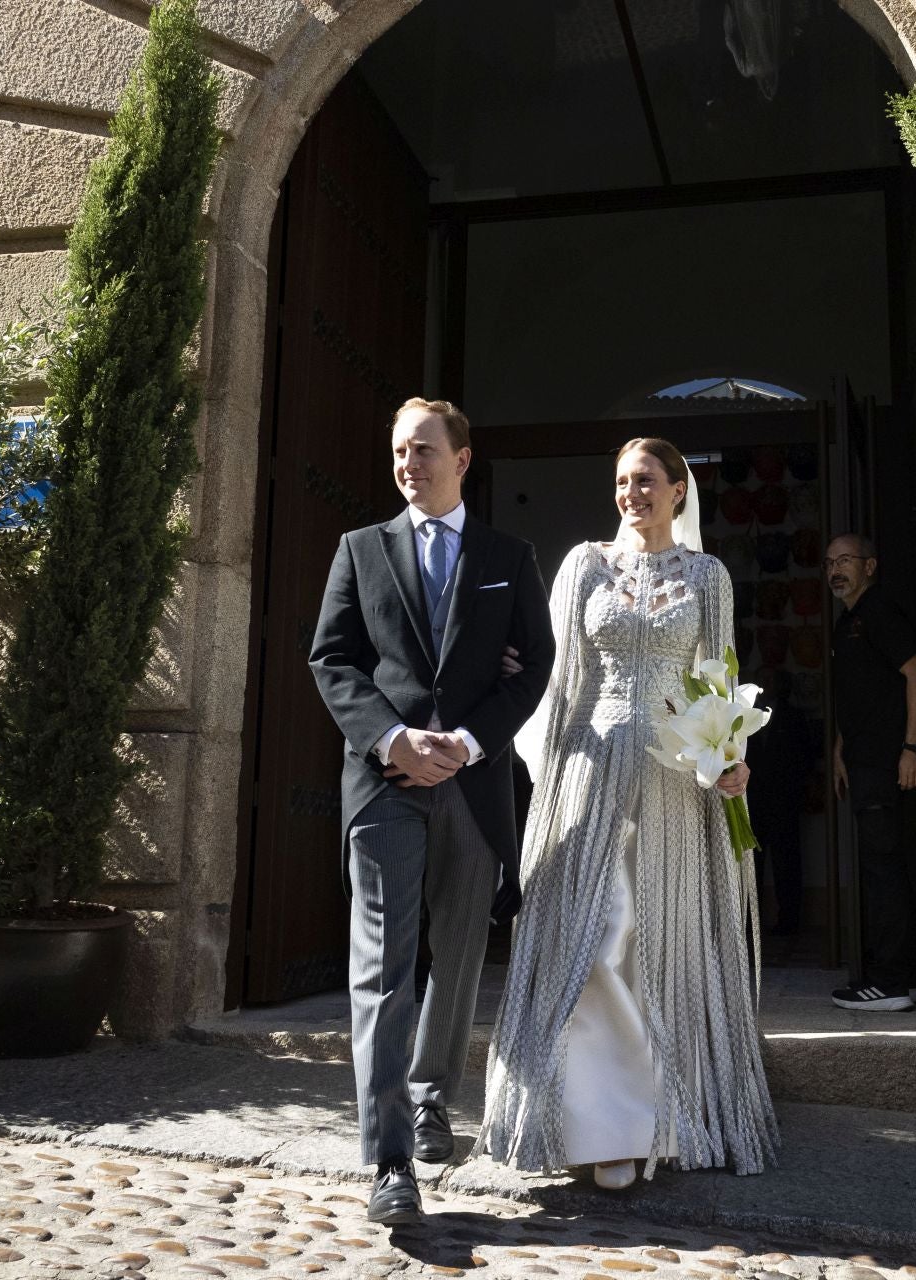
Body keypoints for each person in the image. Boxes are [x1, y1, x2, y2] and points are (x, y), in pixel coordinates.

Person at [478, 437, 779, 1190]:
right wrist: (542, 757)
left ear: (679, 490)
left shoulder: (708, 577)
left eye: (645, 480)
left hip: (676, 780)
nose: (630, 493)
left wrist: (729, 757)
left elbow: (718, 681)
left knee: (661, 935)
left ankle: (660, 1121)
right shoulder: (584, 566)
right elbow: (558, 675)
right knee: (598, 930)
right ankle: (598, 1123)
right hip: (591, 769)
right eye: (621, 481)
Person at [310, 398, 555, 1225]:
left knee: (457, 956)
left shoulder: (509, 557)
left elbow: (535, 665)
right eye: (399, 452)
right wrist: (393, 739)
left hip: (474, 789)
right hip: (385, 784)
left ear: (462, 459)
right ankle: (389, 1162)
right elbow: (332, 660)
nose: (408, 464)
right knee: (384, 969)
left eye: (422, 450)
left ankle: (429, 1099)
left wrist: (472, 742)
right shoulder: (359, 550)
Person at [824, 533, 916, 1013]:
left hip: (889, 763)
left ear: (870, 566)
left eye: (845, 561)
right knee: (887, 865)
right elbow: (861, 692)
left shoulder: (879, 611)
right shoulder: (847, 620)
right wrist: (840, 749)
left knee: (885, 869)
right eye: (830, 563)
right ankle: (906, 979)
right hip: (864, 761)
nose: (836, 570)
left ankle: (889, 983)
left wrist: (913, 748)